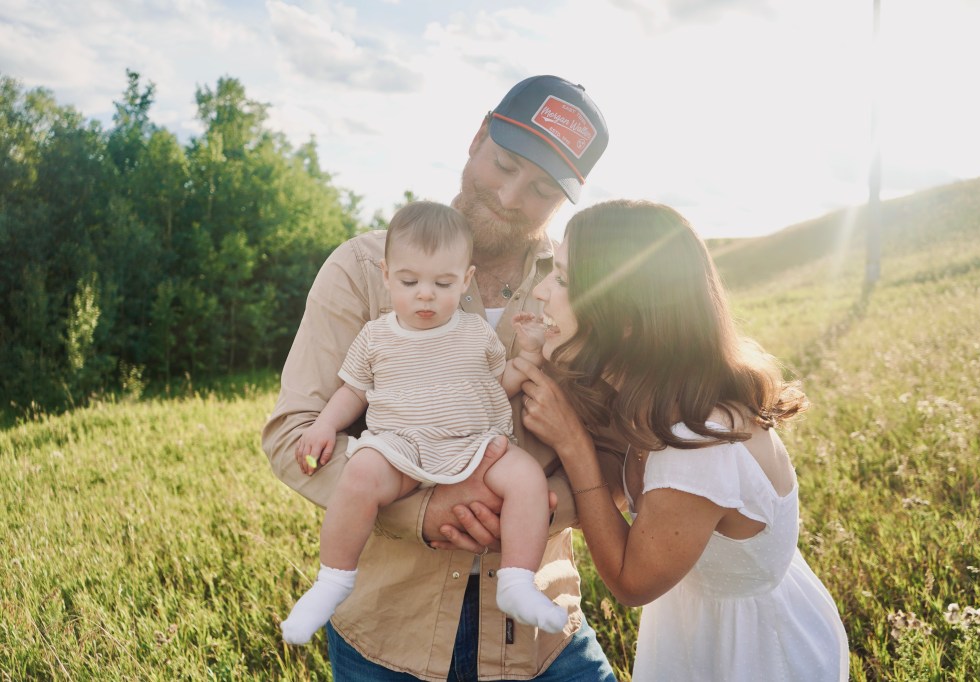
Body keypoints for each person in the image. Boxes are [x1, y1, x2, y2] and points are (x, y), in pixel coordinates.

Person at [262, 75, 617, 680]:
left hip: (543, 636)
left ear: (565, 200)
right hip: (387, 636)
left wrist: (535, 508)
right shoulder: (362, 268)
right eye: (503, 164)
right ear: (478, 137)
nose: (508, 197)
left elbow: (618, 455)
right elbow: (293, 435)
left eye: (540, 189)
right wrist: (425, 511)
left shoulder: (584, 285)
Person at [513, 200, 851, 681]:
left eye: (564, 279)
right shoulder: (653, 394)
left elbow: (631, 583)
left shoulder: (698, 442)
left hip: (751, 652)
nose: (542, 291)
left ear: (625, 317)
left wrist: (573, 444)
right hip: (698, 620)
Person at [280, 201, 567, 644]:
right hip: (401, 448)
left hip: (475, 445)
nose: (426, 295)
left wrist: (528, 355)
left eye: (443, 283)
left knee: (527, 476)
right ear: (386, 275)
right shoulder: (376, 335)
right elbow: (353, 391)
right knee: (360, 473)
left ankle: (517, 582)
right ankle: (333, 579)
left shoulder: (474, 332)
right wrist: (323, 425)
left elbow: (497, 385)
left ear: (466, 279)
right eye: (409, 282)